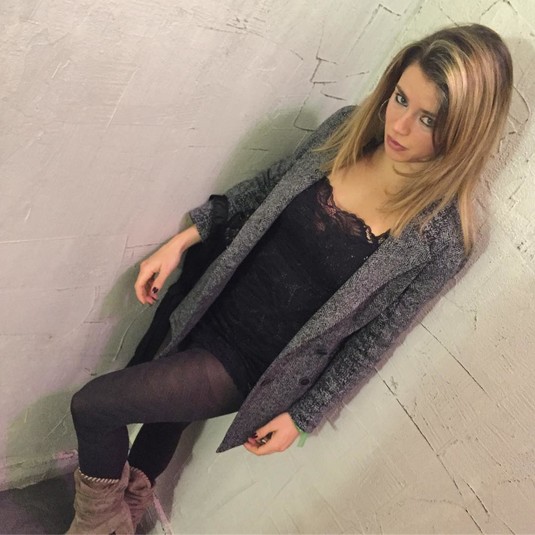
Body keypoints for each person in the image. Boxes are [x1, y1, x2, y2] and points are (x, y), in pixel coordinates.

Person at [66, 23, 513, 534]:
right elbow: (268, 187)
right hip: (214, 297)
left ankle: (96, 527)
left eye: (428, 119)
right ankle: (123, 515)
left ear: (464, 134)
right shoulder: (347, 130)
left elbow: (375, 340)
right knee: (164, 423)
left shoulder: (440, 239)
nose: (400, 125)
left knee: (94, 407)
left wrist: (304, 416)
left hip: (250, 363)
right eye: (400, 98)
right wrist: (184, 239)